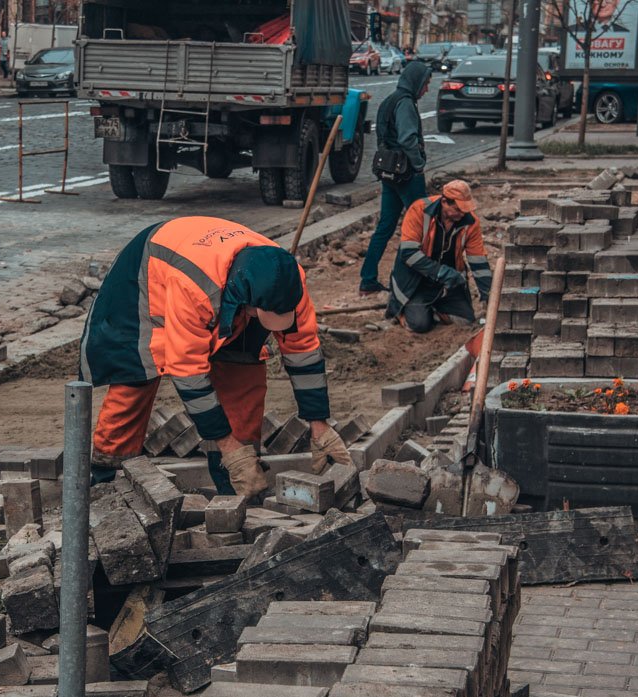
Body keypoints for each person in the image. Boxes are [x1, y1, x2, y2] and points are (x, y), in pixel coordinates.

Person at [80, 216, 352, 496]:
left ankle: (235, 483)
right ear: (247, 302)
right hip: (147, 274)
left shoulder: (290, 280)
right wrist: (228, 447)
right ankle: (108, 478)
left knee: (243, 373)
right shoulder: (196, 290)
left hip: (221, 278)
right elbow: (188, 373)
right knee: (135, 376)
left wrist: (320, 426)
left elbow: (303, 349)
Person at [358, 60, 432, 296]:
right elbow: (408, 138)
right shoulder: (406, 104)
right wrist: (419, 164)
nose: (427, 89)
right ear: (417, 82)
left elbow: (383, 136)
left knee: (385, 226)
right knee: (420, 228)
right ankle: (411, 279)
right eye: (426, 84)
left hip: (390, 172)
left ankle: (368, 279)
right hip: (407, 174)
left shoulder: (389, 100)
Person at [387, 180, 492, 334]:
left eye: (465, 209)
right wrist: (441, 272)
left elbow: (478, 261)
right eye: (457, 209)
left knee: (466, 321)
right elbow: (408, 254)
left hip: (449, 282)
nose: (462, 214)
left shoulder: (470, 222)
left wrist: (488, 293)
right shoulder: (419, 210)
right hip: (416, 280)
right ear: (444, 202)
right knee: (420, 325)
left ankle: (433, 310)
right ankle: (402, 311)